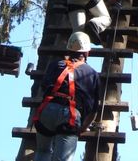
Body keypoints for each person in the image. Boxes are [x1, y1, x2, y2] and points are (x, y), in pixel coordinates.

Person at [33, 32, 100, 161]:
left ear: (69, 49)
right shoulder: (92, 74)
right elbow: (93, 111)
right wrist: (81, 129)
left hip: (47, 110)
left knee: (43, 151)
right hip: (70, 115)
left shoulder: (55, 65)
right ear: (86, 53)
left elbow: (44, 88)